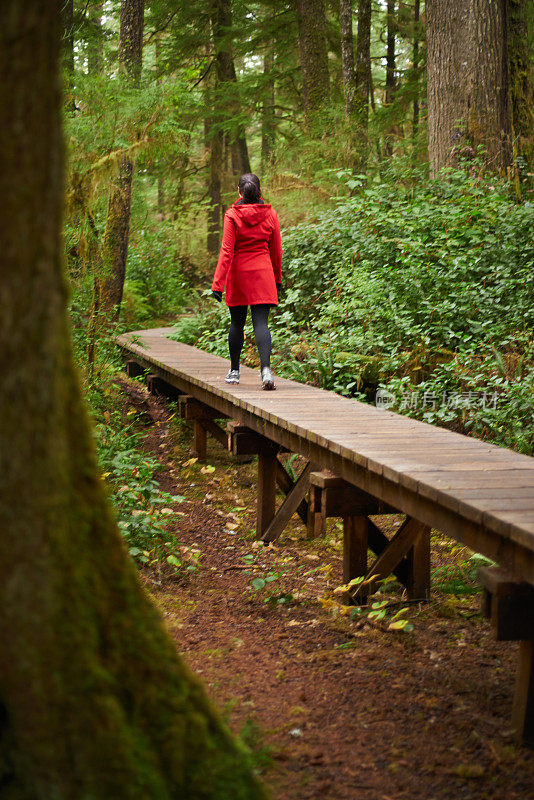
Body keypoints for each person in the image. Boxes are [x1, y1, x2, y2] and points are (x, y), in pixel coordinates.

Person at [210, 173, 282, 390]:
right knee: (261, 323)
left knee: (237, 323)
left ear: (239, 191)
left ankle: (234, 371)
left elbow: (226, 250)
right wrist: (277, 279)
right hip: (263, 273)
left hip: (239, 274)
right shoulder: (270, 214)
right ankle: (266, 371)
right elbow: (276, 250)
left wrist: (217, 284)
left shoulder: (232, 215)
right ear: (259, 191)